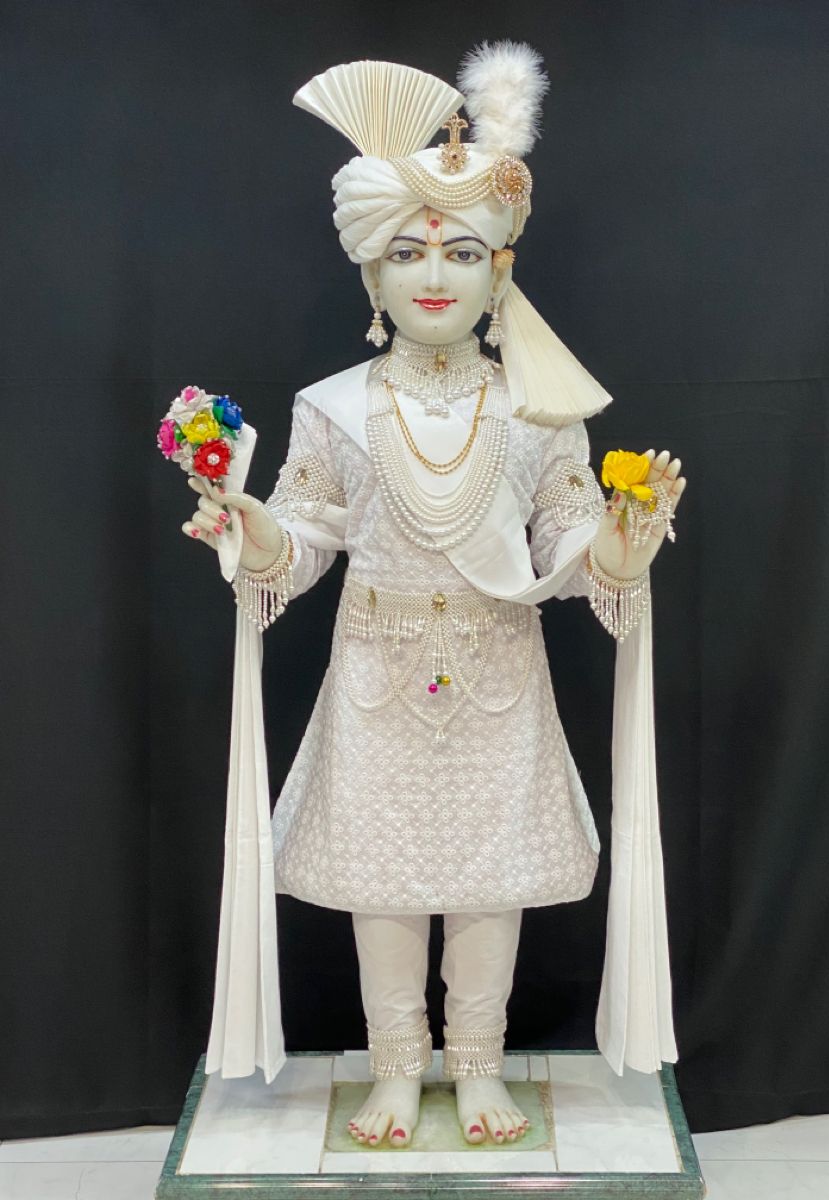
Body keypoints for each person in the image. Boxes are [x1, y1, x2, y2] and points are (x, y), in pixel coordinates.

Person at [182, 42, 685, 1149]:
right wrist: (252, 524)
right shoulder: (331, 408)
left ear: (499, 272)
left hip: (500, 676)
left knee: (490, 889)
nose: (435, 272)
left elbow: (566, 536)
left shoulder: (539, 407)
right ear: (371, 274)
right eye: (407, 250)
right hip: (376, 677)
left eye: (462, 250)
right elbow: (303, 536)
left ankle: (479, 1065)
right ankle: (400, 1071)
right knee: (386, 891)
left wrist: (621, 551)